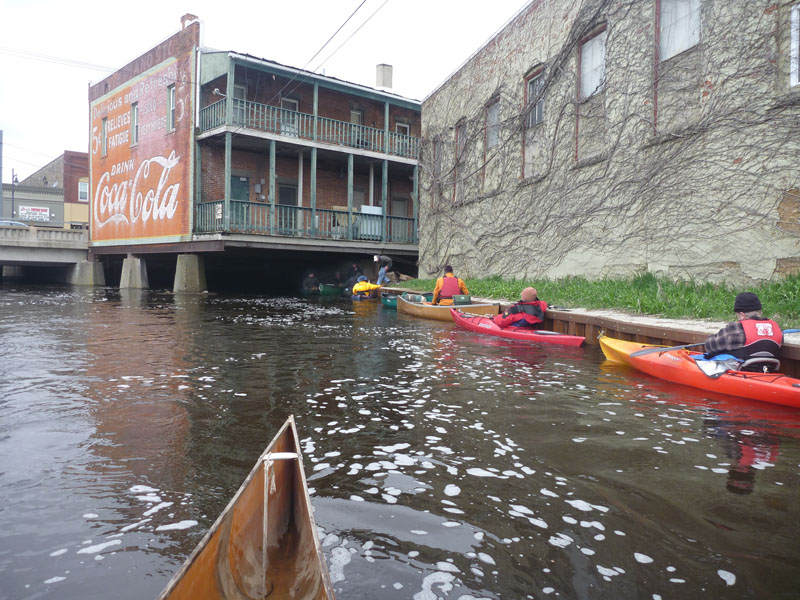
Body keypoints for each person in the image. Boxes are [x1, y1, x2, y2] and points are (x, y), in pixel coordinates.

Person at [703, 292, 783, 370]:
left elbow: (710, 346)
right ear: (760, 311)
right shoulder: (776, 328)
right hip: (769, 370)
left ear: (742, 315)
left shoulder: (737, 329)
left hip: (743, 372)